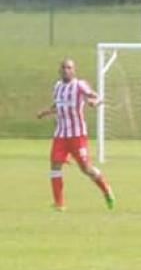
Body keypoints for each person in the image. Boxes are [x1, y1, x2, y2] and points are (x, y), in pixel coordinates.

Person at [37, 58, 116, 211]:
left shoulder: (79, 85)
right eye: (64, 67)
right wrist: (46, 112)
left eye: (69, 67)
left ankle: (106, 190)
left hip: (77, 135)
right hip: (60, 135)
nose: (66, 70)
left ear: (74, 70)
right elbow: (58, 105)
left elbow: (98, 96)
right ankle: (59, 203)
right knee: (54, 165)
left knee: (86, 169)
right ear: (60, 70)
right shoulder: (58, 86)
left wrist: (95, 102)